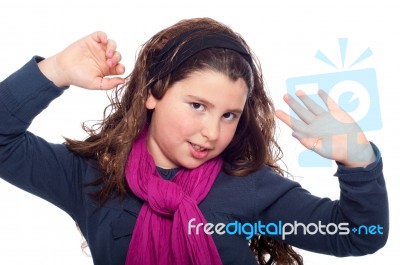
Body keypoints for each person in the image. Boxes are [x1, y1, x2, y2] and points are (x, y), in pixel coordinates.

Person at [0, 18, 388, 265]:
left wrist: (359, 162)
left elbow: (358, 235)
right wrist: (55, 72)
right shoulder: (90, 177)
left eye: (229, 115)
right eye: (198, 105)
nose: (212, 133)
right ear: (153, 92)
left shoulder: (249, 184)